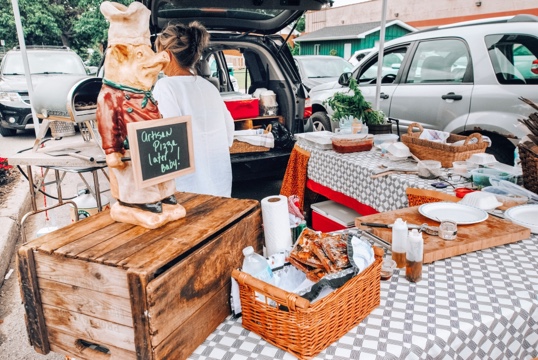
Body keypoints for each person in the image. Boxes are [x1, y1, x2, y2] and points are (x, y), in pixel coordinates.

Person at [153, 21, 235, 197]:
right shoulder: (209, 87)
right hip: (220, 184)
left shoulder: (165, 87)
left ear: (167, 55)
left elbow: (167, 143)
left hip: (188, 189)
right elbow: (229, 130)